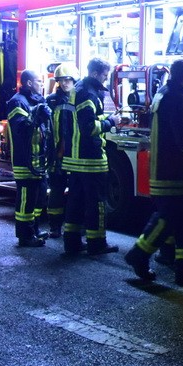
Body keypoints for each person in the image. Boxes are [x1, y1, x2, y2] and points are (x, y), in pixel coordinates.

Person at [124, 60, 183, 285]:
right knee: (169, 217)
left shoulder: (163, 93)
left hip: (165, 168)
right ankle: (139, 254)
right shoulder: (177, 97)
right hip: (174, 171)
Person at [62, 57, 121, 256]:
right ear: (96, 73)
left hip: (75, 158)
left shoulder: (78, 89)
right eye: (105, 75)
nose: (106, 79)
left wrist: (106, 118)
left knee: (75, 201)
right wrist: (111, 122)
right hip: (90, 158)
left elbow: (85, 119)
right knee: (96, 203)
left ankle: (72, 242)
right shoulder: (89, 93)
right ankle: (97, 243)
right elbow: (88, 127)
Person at [7, 70, 51, 248]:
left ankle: (34, 229)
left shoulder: (37, 101)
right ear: (29, 83)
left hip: (38, 161)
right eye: (38, 81)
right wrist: (37, 116)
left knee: (39, 198)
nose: (41, 83)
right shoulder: (17, 102)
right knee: (26, 200)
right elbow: (21, 128)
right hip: (25, 161)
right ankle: (25, 236)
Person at [44, 63, 77, 239]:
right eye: (61, 80)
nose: (64, 84)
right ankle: (55, 226)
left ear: (74, 80)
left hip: (74, 154)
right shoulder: (51, 100)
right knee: (56, 191)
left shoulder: (79, 99)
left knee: (75, 192)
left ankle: (73, 227)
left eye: (68, 80)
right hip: (55, 154)